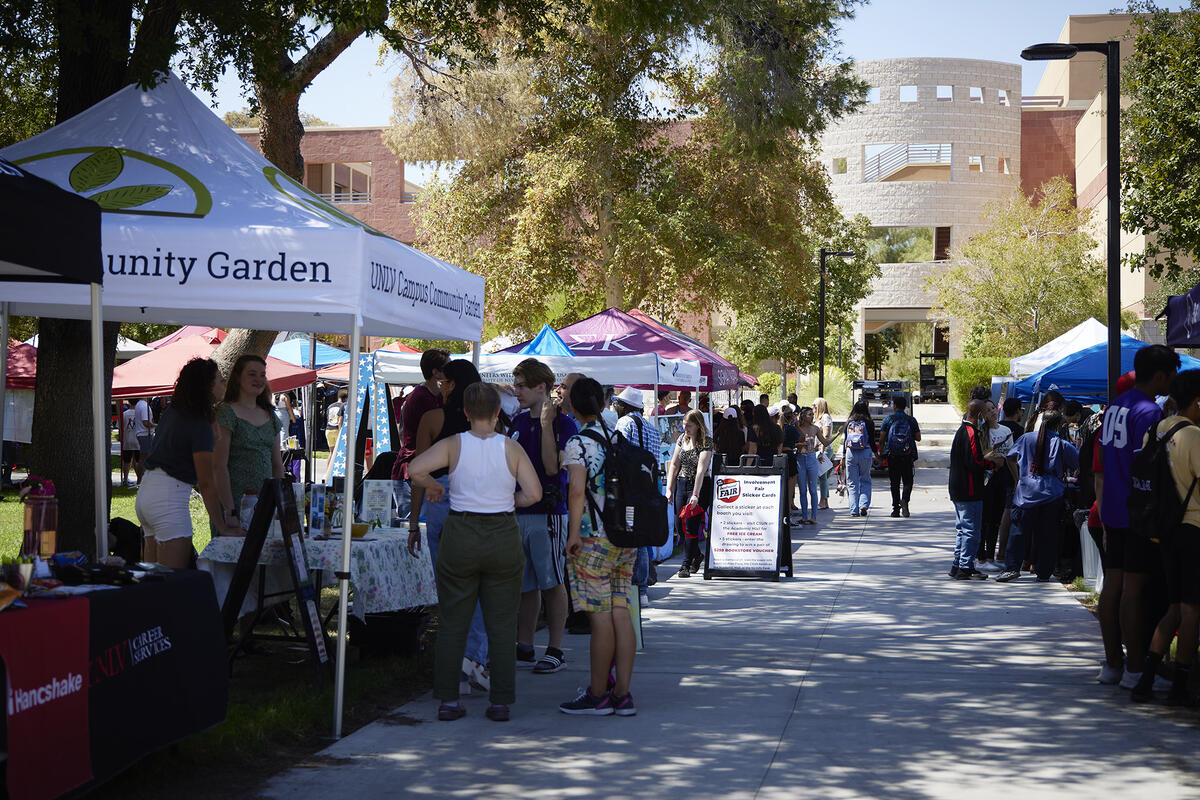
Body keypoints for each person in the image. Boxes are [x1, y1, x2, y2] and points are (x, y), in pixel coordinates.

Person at [409, 382, 542, 722]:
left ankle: (448, 701)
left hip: (461, 534)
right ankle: (500, 701)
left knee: (454, 620)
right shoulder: (510, 448)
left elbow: (414, 470)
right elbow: (535, 493)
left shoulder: (454, 444)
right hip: (501, 534)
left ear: (466, 413)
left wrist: (436, 485)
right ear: (498, 412)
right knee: (500, 622)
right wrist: (512, 501)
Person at [1097, 344, 1179, 689]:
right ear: (1160, 375)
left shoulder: (1116, 405)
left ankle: (1114, 664)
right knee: (1134, 591)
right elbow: (1150, 467)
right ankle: (1134, 668)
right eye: (1171, 375)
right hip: (1137, 512)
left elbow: (1103, 464)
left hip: (1113, 508)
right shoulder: (1148, 412)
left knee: (1112, 588)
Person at [409, 359, 491, 688]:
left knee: (451, 592)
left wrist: (414, 522)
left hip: (440, 504)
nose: (441, 387)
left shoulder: (432, 419)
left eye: (444, 382)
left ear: (454, 385)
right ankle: (475, 661)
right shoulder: (488, 423)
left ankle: (456, 665)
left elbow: (418, 473)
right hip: (478, 508)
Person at [560, 377, 638, 716]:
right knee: (621, 611)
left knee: (600, 618)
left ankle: (597, 695)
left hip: (594, 539)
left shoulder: (578, 443)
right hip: (625, 538)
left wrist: (573, 534)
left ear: (573, 406)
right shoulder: (616, 437)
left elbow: (576, 491)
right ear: (604, 403)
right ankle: (622, 694)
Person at [1131, 370, 1200, 705]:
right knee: (1190, 612)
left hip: (1165, 529)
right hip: (1193, 530)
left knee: (1173, 607)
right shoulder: (1194, 436)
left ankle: (1146, 678)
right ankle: (1180, 686)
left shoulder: (1156, 430)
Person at [137, 358, 242, 567]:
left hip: (147, 495)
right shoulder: (197, 423)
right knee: (172, 583)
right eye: (221, 381)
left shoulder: (174, 413)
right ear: (208, 386)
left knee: (151, 584)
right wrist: (221, 526)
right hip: (169, 498)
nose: (224, 385)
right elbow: (206, 483)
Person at [510, 357, 578, 674]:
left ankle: (555, 648)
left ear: (541, 387)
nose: (516, 390)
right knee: (526, 584)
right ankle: (524, 644)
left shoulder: (564, 424)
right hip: (519, 511)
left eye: (522, 385)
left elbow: (553, 468)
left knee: (551, 581)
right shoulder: (518, 422)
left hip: (548, 513)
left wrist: (546, 424)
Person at [995, 408, 1079, 583]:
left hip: (1025, 494)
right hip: (1052, 495)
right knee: (1048, 535)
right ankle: (1043, 571)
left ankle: (1012, 568)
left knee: (1018, 533)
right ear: (1058, 425)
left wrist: (1018, 478)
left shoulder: (1025, 439)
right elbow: (1079, 462)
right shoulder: (1062, 444)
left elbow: (1010, 458)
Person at [214, 354, 284, 534]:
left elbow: (277, 466)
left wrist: (280, 503)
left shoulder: (271, 415)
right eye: (252, 374)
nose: (259, 379)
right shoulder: (225, 412)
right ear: (237, 377)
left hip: (265, 503)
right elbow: (219, 466)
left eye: (262, 375)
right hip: (235, 502)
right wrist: (230, 510)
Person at [612, 386, 662, 604]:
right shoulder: (653, 429)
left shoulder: (624, 423)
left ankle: (636, 586)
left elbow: (618, 452)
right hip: (649, 486)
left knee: (631, 536)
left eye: (617, 405)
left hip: (629, 487)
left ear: (625, 407)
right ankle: (642, 588)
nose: (615, 408)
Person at [391, 348, 451, 524]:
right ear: (436, 372)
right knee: (412, 525)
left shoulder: (436, 396)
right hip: (410, 471)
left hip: (420, 469)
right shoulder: (420, 397)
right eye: (447, 367)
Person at [949, 399, 1001, 579]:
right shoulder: (970, 432)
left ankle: (958, 564)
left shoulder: (962, 431)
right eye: (985, 412)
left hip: (959, 488)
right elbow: (975, 461)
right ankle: (965, 566)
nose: (988, 415)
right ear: (979, 415)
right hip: (969, 489)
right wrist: (992, 464)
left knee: (963, 529)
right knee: (971, 529)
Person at [665, 410, 714, 577]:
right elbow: (674, 464)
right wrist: (669, 488)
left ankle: (685, 564)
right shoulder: (681, 439)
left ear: (698, 425)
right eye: (684, 424)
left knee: (691, 525)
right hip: (682, 482)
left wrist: (695, 494)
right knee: (680, 523)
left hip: (700, 485)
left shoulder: (706, 442)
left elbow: (701, 469)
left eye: (689, 425)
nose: (685, 428)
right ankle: (697, 555)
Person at [880, 394, 921, 518]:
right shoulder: (911, 420)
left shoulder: (888, 420)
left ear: (895, 406)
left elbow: (882, 439)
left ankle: (895, 510)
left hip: (893, 455)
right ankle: (905, 500)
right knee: (908, 481)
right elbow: (918, 438)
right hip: (907, 455)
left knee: (894, 483)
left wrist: (882, 453)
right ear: (905, 407)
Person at [842, 399, 878, 516]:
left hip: (851, 453)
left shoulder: (849, 422)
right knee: (865, 479)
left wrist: (843, 455)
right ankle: (863, 504)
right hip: (865, 452)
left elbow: (845, 440)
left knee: (852, 482)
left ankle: (853, 509)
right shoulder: (869, 422)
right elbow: (872, 440)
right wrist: (876, 454)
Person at [794, 407, 828, 525]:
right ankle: (804, 516)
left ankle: (813, 516)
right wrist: (800, 443)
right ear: (803, 416)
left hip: (811, 457)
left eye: (812, 414)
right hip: (800, 458)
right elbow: (793, 443)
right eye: (809, 414)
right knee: (802, 490)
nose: (812, 416)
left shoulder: (815, 428)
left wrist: (838, 433)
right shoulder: (797, 428)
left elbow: (825, 442)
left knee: (813, 489)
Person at [814, 398, 834, 509]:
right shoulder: (819, 418)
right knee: (823, 475)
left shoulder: (825, 417)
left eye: (815, 405)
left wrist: (821, 451)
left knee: (822, 475)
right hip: (820, 449)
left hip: (824, 449)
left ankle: (823, 500)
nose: (813, 408)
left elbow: (826, 435)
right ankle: (825, 500)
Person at [780, 408, 801, 512]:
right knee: (791, 485)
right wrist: (797, 425)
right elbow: (801, 438)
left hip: (780, 455)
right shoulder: (792, 429)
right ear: (791, 417)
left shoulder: (779, 428)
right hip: (789, 454)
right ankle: (788, 511)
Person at [121, 401, 142, 486]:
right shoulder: (140, 413)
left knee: (127, 461)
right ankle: (139, 480)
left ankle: (125, 479)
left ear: (129, 403)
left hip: (127, 439)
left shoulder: (124, 414)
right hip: (137, 439)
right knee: (137, 461)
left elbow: (121, 427)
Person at [132, 396, 156, 466]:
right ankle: (141, 476)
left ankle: (141, 476)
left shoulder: (139, 404)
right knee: (145, 459)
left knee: (143, 458)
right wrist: (157, 425)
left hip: (142, 434)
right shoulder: (144, 406)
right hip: (145, 434)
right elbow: (145, 422)